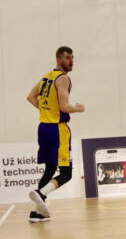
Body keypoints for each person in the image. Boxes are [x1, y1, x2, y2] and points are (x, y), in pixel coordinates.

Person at [26, 46, 85, 223]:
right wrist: (78, 108)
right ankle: (40, 193)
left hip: (43, 128)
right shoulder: (63, 78)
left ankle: (37, 212)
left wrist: (46, 111)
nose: (71, 61)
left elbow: (31, 97)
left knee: (50, 169)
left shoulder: (47, 76)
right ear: (59, 60)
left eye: (72, 57)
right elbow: (64, 107)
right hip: (57, 130)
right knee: (66, 173)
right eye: (68, 58)